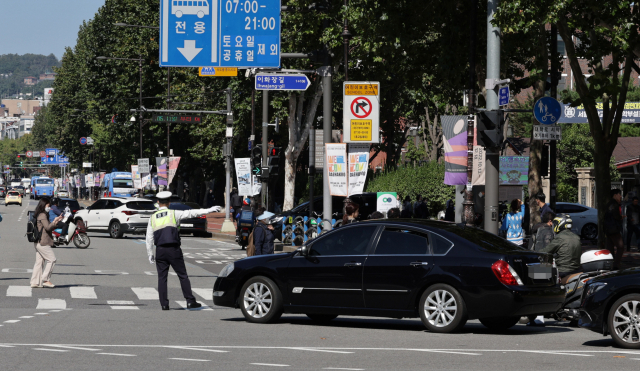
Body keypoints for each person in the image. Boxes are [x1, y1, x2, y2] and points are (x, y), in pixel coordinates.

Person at [146, 191, 218, 310]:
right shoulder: (174, 213)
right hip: (174, 249)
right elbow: (191, 213)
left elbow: (149, 237)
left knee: (162, 278)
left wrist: (150, 254)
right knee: (182, 275)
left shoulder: (153, 217)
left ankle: (164, 304)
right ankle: (190, 301)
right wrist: (209, 210)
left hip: (160, 250)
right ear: (169, 202)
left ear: (158, 202)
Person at [31, 197, 63, 289]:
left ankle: (35, 282)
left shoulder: (39, 214)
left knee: (39, 262)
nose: (49, 207)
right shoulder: (42, 215)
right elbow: (48, 227)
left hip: (38, 242)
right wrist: (55, 221)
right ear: (44, 205)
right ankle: (45, 279)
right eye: (48, 206)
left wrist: (55, 221)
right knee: (52, 259)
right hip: (43, 241)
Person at [605, 188, 625, 268]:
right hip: (613, 229)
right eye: (619, 194)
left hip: (608, 229)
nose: (620, 196)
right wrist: (621, 217)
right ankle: (616, 265)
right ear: (615, 195)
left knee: (610, 248)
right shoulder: (614, 204)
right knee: (620, 247)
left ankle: (609, 264)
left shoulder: (609, 204)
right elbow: (616, 216)